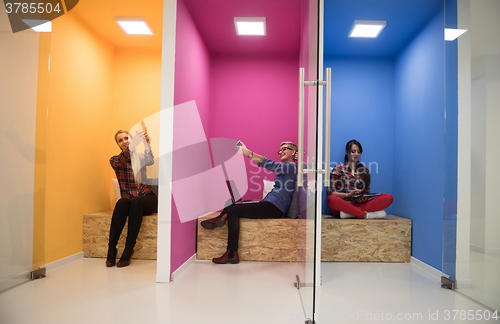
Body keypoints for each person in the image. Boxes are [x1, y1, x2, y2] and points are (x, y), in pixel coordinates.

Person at [201, 141, 298, 264]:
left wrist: (247, 153)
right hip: (271, 204)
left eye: (285, 149)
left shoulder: (292, 167)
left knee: (232, 209)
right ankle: (222, 218)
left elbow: (269, 164)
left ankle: (231, 251)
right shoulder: (289, 168)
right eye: (279, 150)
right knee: (233, 207)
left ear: (293, 152)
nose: (281, 152)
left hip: (274, 206)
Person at [106, 130, 158, 267]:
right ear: (118, 144)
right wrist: (132, 147)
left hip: (146, 198)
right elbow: (122, 162)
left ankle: (129, 248)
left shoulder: (140, 157)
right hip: (129, 201)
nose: (124, 141)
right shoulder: (115, 160)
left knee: (137, 201)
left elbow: (151, 160)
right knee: (122, 202)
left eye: (127, 138)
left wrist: (147, 144)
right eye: (120, 140)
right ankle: (111, 248)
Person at [327, 139, 393, 219]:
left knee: (388, 197)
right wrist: (347, 195)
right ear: (347, 152)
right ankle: (364, 215)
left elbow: (366, 192)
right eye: (353, 151)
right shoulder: (338, 169)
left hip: (359, 204)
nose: (356, 154)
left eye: (358, 152)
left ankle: (350, 214)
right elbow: (331, 192)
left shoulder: (364, 171)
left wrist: (364, 198)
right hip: (344, 204)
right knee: (332, 199)